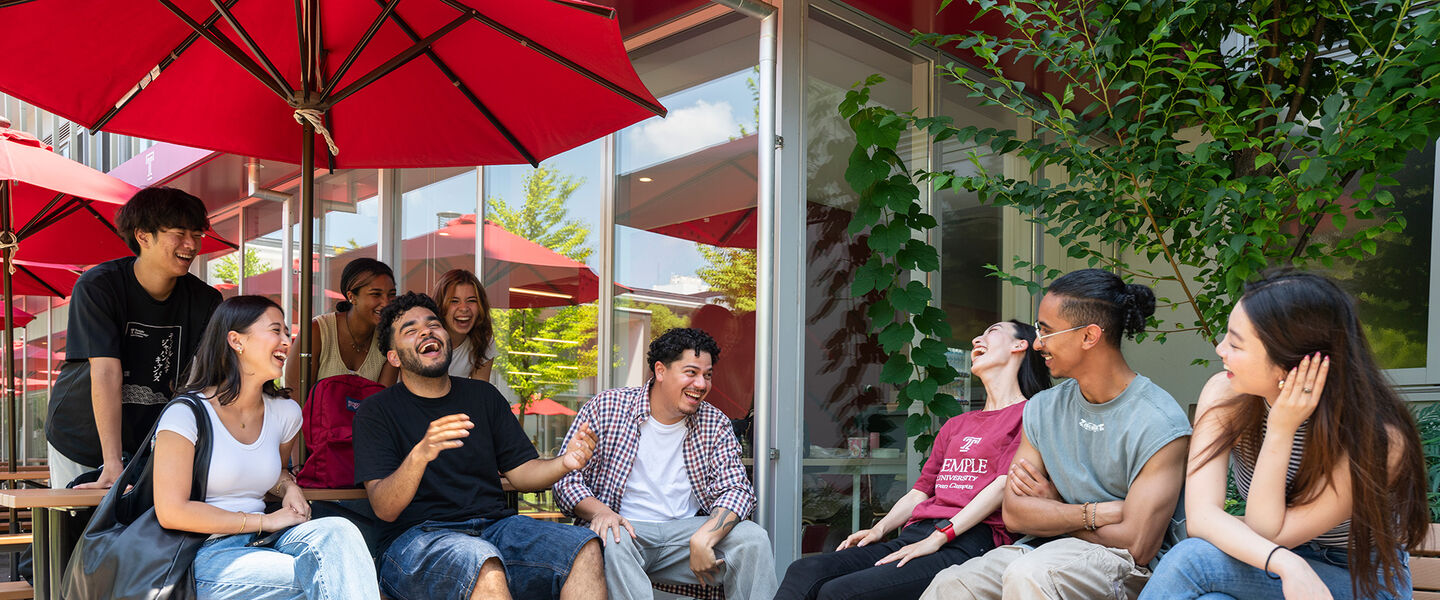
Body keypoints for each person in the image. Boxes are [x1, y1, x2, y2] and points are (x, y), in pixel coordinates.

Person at [1141, 271, 1426, 600]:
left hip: (1361, 579)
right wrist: (1290, 565)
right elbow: (1203, 518)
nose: (1220, 349)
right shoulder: (1225, 394)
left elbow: (1268, 532)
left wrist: (1281, 428)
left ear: (1290, 363)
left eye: (1235, 343)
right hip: (1272, 562)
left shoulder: (1376, 439)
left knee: (1192, 560)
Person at [921, 269, 1191, 600]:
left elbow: (1138, 543)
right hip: (1044, 547)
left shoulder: (1158, 420)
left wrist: (1055, 508)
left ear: (1089, 336)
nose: (1037, 343)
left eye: (1046, 331)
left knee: (1031, 575)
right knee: (951, 584)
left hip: (1124, 565)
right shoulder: (1043, 408)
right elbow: (1016, 514)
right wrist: (1092, 513)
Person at [353, 292, 605, 600]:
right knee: (481, 562)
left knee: (584, 546)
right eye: (410, 329)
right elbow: (385, 508)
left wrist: (565, 462)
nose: (426, 331)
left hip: (496, 528)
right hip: (415, 540)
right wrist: (421, 453)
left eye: (433, 324)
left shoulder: (483, 397)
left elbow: (522, 473)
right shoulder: (376, 411)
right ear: (394, 356)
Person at [775, 320, 1053, 600]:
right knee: (805, 570)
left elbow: (1002, 487)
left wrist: (939, 537)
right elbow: (920, 492)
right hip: (918, 533)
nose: (976, 341)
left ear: (1020, 345)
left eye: (991, 332)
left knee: (840, 593)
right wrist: (879, 529)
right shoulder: (956, 424)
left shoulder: (1030, 414)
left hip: (969, 541)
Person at [152, 295, 379, 599]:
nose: (287, 340)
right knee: (327, 576)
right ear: (236, 340)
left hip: (271, 539)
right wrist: (265, 520)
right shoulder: (185, 414)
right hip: (206, 551)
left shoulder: (284, 413)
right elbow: (171, 511)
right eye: (276, 330)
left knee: (341, 532)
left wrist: (289, 488)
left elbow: (274, 475)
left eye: (287, 332)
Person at [554, 327, 777, 600]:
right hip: (626, 529)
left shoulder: (714, 422)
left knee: (752, 538)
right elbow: (566, 481)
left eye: (707, 375)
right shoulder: (607, 407)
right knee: (613, 537)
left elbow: (737, 490)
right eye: (691, 372)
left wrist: (705, 536)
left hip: (684, 535)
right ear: (660, 371)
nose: (701, 384)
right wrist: (602, 512)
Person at [46, 186, 223, 489]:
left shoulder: (206, 300)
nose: (191, 244)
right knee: (78, 533)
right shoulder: (99, 286)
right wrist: (112, 463)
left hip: (149, 443)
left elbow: (209, 381)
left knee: (140, 534)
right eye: (179, 233)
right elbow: (105, 372)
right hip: (81, 436)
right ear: (143, 236)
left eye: (197, 234)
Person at [285, 257, 398, 391]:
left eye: (391, 295)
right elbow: (295, 396)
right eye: (376, 294)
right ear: (351, 297)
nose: (386, 303)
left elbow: (383, 403)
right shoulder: (317, 331)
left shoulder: (390, 339)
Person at [431, 268, 512, 396]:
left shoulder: (483, 340)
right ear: (440, 306)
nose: (464, 308)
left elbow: (478, 394)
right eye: (454, 301)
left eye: (472, 301)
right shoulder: (425, 339)